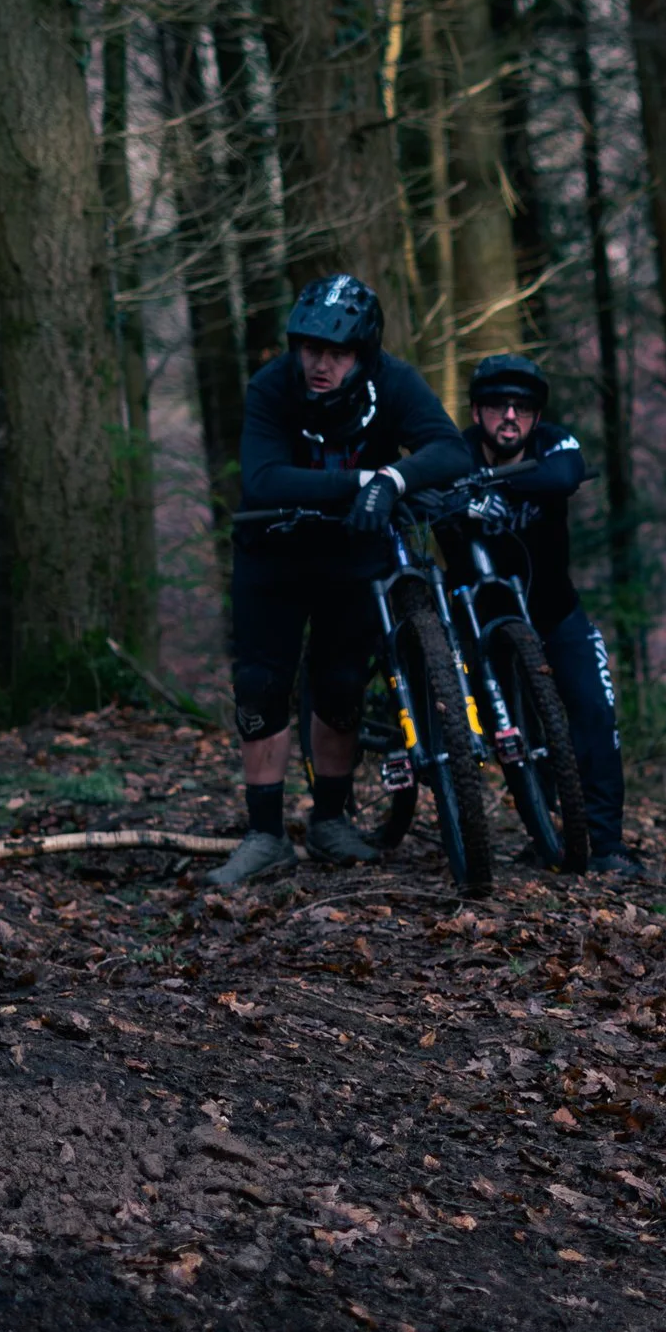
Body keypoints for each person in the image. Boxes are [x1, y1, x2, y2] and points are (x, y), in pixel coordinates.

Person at [212, 276, 466, 894]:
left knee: (342, 684)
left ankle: (330, 820)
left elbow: (451, 450)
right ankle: (266, 835)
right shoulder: (271, 386)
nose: (321, 364)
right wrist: (365, 483)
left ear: (365, 353)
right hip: (273, 549)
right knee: (260, 683)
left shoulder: (394, 382)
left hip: (353, 553)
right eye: (310, 349)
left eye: (338, 352)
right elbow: (266, 478)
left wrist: (394, 482)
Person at [446, 355, 642, 878]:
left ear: (537, 415)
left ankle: (606, 845)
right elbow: (420, 491)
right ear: (476, 410)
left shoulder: (555, 441)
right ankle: (543, 831)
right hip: (479, 624)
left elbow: (565, 474)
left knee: (596, 714)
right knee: (506, 734)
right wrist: (455, 502)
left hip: (556, 612)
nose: (510, 416)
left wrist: (492, 487)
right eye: (497, 406)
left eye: (523, 408)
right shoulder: (451, 451)